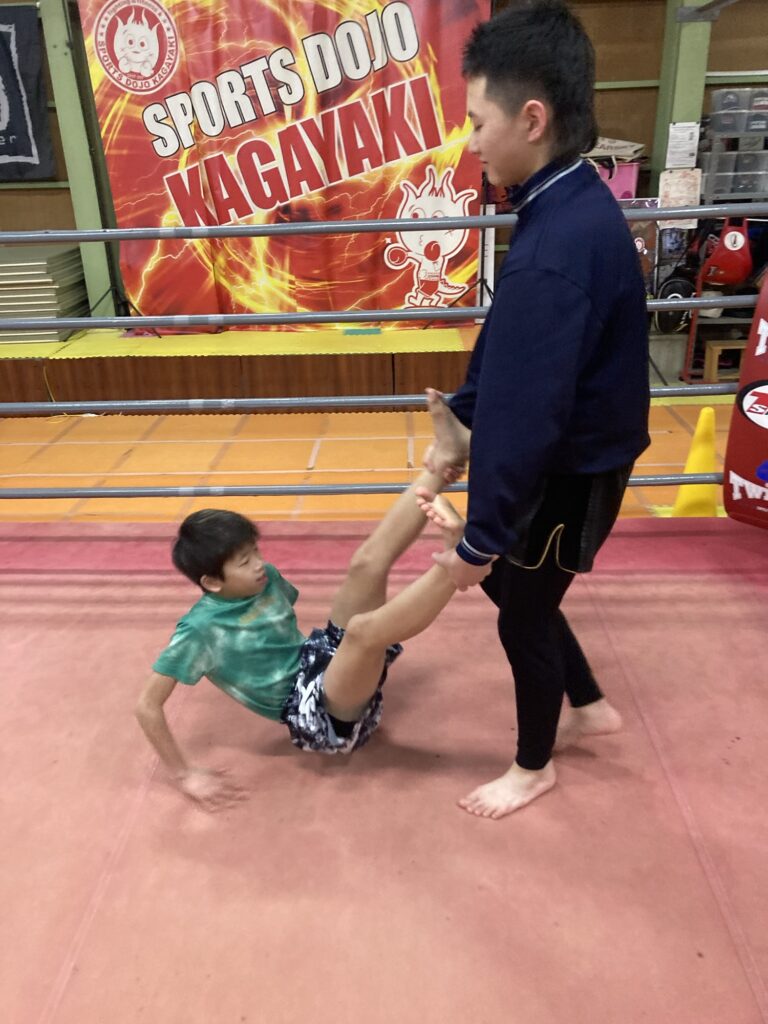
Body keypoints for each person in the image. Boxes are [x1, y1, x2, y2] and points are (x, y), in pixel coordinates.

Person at [424, 0, 651, 819]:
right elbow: (513, 350)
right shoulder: (565, 203)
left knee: (519, 614)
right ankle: (588, 702)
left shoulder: (556, 247)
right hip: (582, 453)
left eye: (478, 123)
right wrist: (463, 411)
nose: (471, 143)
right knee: (525, 595)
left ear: (531, 118)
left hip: (573, 469)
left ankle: (533, 766)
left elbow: (529, 415)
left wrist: (478, 539)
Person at [135, 453, 486, 811]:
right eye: (244, 562)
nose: (259, 565)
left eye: (255, 552)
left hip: (318, 661)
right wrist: (185, 774)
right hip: (315, 716)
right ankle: (463, 557)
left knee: (365, 564)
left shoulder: (266, 578)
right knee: (363, 631)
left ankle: (440, 467)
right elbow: (147, 706)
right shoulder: (199, 631)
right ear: (211, 582)